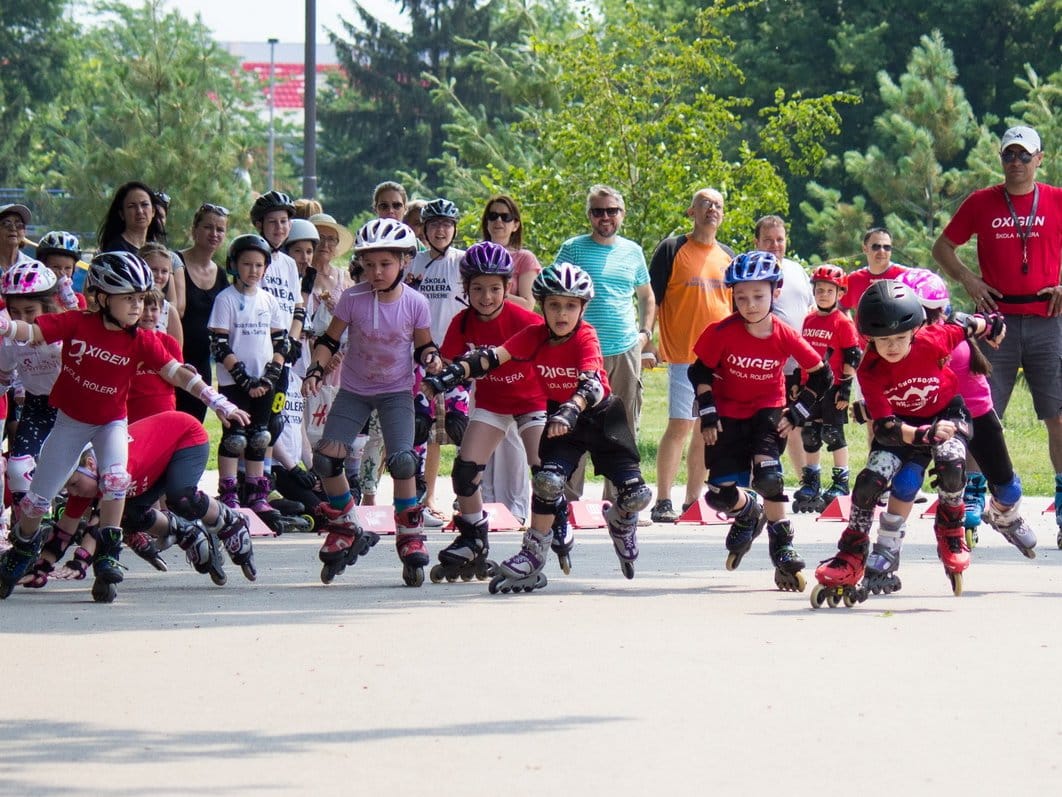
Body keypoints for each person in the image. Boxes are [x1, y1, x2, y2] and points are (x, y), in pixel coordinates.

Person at [0, 251, 249, 603]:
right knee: (37, 501)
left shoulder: (141, 339)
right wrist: (8, 326)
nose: (138, 306)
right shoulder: (78, 323)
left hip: (110, 424)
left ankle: (107, 552)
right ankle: (23, 549)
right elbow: (35, 330)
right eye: (129, 298)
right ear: (102, 298)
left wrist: (217, 400)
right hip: (70, 425)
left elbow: (176, 371)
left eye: (142, 298)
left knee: (116, 479)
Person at [423, 262, 651, 593]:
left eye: (571, 306)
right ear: (542, 306)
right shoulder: (533, 335)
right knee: (547, 481)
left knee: (636, 495)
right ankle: (532, 552)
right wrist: (449, 375)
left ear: (582, 308)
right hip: (560, 417)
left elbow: (592, 383)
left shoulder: (586, 336)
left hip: (600, 418)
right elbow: (489, 358)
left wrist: (572, 408)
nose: (562, 313)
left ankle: (621, 519)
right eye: (554, 305)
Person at [810, 280, 1005, 608]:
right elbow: (885, 425)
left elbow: (965, 324)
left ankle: (951, 529)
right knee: (869, 483)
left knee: (952, 464)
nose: (893, 347)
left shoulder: (934, 339)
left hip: (946, 416)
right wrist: (921, 435)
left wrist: (993, 324)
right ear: (869, 338)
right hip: (900, 427)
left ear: (915, 330)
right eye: (883, 340)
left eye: (901, 337)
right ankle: (853, 550)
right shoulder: (870, 369)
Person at [863, 270, 1037, 595]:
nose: (932, 320)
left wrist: (994, 326)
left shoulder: (948, 328)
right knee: (906, 482)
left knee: (1007, 487)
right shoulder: (897, 340)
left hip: (975, 413)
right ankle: (914, 540)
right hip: (920, 419)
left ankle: (1003, 515)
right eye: (923, 314)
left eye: (937, 311)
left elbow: (984, 322)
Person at [932, 124, 1062, 546]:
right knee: (980, 415)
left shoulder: (1057, 200)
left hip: (1047, 318)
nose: (1017, 163)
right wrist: (969, 279)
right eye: (1010, 155)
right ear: (1001, 158)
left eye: (1025, 156)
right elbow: (942, 247)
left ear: (1040, 159)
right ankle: (970, 498)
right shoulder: (982, 202)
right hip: (994, 321)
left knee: (1057, 416)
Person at [302, 219, 440, 588]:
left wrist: (431, 361)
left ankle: (409, 535)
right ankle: (347, 522)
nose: (376, 272)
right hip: (355, 390)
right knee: (326, 458)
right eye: (369, 264)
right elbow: (329, 341)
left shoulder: (415, 302)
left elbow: (425, 345)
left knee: (402, 460)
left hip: (396, 391)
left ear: (405, 262)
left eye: (386, 264)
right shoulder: (352, 298)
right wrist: (315, 368)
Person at [688, 251, 832, 592]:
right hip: (727, 415)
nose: (750, 305)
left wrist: (798, 412)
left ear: (775, 293)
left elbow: (821, 376)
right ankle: (747, 511)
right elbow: (699, 370)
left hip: (768, 410)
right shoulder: (721, 332)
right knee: (719, 496)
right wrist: (707, 412)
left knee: (769, 477)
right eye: (741, 297)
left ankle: (782, 545)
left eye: (758, 296)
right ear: (732, 297)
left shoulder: (784, 334)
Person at [28, 410, 255, 589]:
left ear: (90, 465)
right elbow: (64, 529)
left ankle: (229, 520)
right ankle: (186, 531)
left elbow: (101, 521)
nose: (73, 492)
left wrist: (80, 561)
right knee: (129, 516)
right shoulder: (85, 483)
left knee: (181, 498)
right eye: (67, 488)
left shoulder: (117, 466)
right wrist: (41, 566)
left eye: (74, 484)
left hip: (185, 438)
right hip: (156, 461)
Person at [428, 241, 545, 582]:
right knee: (465, 473)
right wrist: (441, 391)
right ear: (466, 289)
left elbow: (551, 357)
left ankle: (544, 532)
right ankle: (474, 537)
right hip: (492, 402)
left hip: (530, 400)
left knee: (545, 473)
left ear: (508, 286)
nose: (486, 296)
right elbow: (447, 367)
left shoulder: (525, 319)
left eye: (495, 288)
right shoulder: (462, 323)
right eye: (477, 289)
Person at [554, 185, 654, 503]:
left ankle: (622, 496)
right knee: (575, 420)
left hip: (624, 349)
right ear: (589, 216)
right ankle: (567, 500)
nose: (605, 217)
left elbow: (647, 296)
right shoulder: (572, 249)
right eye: (598, 211)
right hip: (581, 351)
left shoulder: (633, 251)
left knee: (622, 424)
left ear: (622, 214)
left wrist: (645, 334)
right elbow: (553, 293)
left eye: (612, 210)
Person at [647, 188, 733, 522]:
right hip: (684, 355)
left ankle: (694, 501)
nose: (712, 209)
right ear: (691, 212)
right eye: (705, 204)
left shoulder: (728, 255)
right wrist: (648, 342)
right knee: (680, 425)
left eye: (718, 205)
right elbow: (652, 299)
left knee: (705, 428)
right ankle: (663, 500)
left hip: (719, 359)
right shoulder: (672, 249)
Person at [208, 234, 288, 522]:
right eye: (247, 264)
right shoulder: (225, 300)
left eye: (258, 265)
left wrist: (269, 378)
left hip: (264, 380)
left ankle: (257, 492)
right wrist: (244, 379)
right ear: (234, 265)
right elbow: (219, 344)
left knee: (260, 436)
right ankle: (229, 490)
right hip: (234, 382)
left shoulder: (269, 300)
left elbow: (282, 343)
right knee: (235, 438)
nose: (253, 270)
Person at [478, 193, 542, 522]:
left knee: (513, 434)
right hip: (482, 348)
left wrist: (492, 294)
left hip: (516, 348)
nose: (498, 222)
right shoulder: (474, 256)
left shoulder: (524, 259)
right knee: (485, 425)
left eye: (505, 216)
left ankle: (516, 507)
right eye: (493, 216)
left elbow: (529, 304)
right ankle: (487, 504)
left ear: (515, 223)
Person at [408, 198, 468, 522]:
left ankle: (465, 498)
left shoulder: (464, 261)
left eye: (447, 224)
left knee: (461, 428)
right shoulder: (413, 264)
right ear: (424, 230)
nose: (441, 230)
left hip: (458, 358)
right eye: (434, 225)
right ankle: (416, 502)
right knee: (419, 428)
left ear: (455, 228)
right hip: (421, 357)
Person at [791, 265, 861, 512]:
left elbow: (853, 355)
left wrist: (845, 389)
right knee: (810, 434)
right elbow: (804, 354)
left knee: (833, 433)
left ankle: (841, 482)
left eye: (828, 291)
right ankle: (811, 482)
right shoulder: (808, 319)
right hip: (811, 386)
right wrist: (799, 382)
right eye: (819, 290)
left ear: (839, 294)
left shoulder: (842, 322)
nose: (822, 294)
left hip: (833, 388)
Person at [752, 215, 815, 476]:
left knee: (797, 423)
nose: (775, 245)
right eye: (768, 240)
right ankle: (758, 481)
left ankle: (806, 483)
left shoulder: (796, 269)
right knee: (765, 426)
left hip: (800, 365)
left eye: (780, 239)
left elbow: (811, 307)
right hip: (768, 364)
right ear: (757, 242)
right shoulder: (753, 271)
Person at [174, 203, 230, 421]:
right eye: (208, 227)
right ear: (194, 229)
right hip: (174, 359)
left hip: (202, 363)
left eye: (220, 229)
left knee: (192, 425)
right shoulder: (175, 263)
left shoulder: (222, 275)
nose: (214, 234)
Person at [127, 287, 183, 423]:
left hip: (163, 406)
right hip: (131, 407)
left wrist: (157, 361)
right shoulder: (125, 341)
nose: (148, 314)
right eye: (144, 309)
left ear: (161, 312)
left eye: (153, 309)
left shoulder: (169, 342)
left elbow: (179, 377)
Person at [96, 181, 166, 254]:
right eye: (131, 206)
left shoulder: (154, 250)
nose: (140, 211)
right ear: (122, 214)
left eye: (144, 204)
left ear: (153, 211)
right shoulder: (116, 250)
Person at [138, 242, 184, 346]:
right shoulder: (130, 304)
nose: (159, 275)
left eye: (164, 271)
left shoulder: (169, 310)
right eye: (153, 269)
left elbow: (176, 351)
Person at [36, 231, 87, 309]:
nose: (62, 273)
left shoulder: (79, 299)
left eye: (68, 268)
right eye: (56, 267)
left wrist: (71, 302)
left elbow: (79, 320)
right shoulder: (36, 298)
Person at [0, 204, 33, 271]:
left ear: (24, 232)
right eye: (6, 224)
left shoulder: (33, 268)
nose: (13, 228)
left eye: (19, 224)